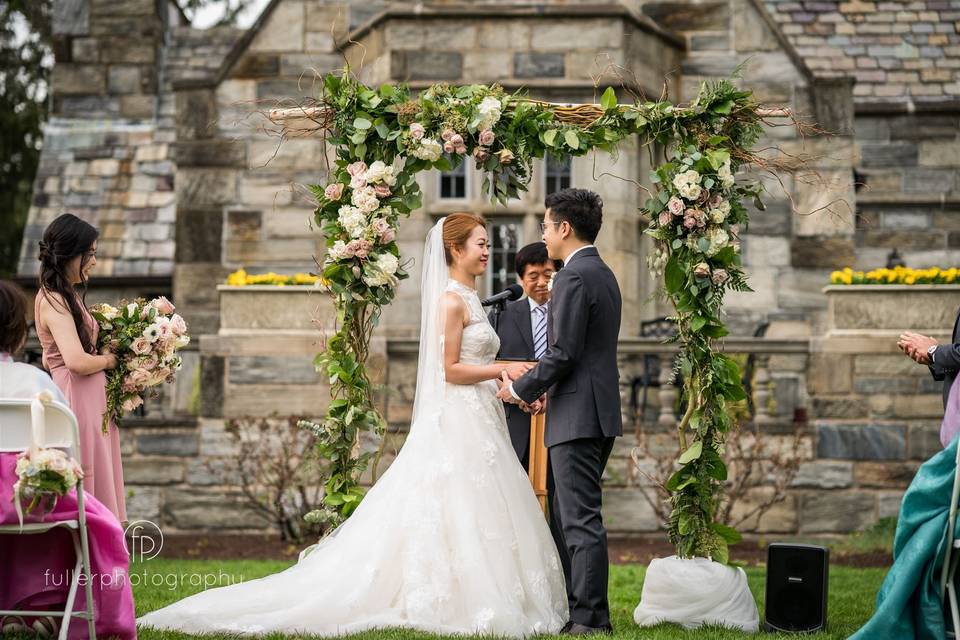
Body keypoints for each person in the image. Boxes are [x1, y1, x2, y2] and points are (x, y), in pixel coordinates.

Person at [138, 213, 568, 636]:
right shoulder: (451, 301)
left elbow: (475, 363)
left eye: (487, 243)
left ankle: (475, 587)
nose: (488, 251)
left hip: (480, 414)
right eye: (480, 243)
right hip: (457, 416)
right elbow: (450, 371)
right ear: (455, 249)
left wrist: (508, 374)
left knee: (478, 504)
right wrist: (503, 370)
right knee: (454, 500)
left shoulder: (473, 298)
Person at [497, 188, 623, 635]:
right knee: (581, 516)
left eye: (547, 226)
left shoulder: (571, 276)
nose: (544, 235)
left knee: (578, 520)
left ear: (564, 228)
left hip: (577, 414)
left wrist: (521, 387)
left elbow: (563, 351)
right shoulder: (602, 272)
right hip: (596, 409)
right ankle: (587, 612)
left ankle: (590, 619)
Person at [0, 279, 136, 640]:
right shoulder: (35, 383)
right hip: (26, 496)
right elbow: (64, 456)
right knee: (71, 515)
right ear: (16, 333)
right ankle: (50, 606)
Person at [34, 213, 126, 522]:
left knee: (100, 476)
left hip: (91, 402)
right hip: (79, 403)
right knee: (88, 483)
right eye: (92, 253)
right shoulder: (53, 299)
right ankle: (88, 561)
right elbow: (74, 362)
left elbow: (51, 358)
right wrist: (112, 361)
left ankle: (99, 560)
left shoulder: (66, 295)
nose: (95, 262)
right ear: (72, 254)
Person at [490, 242, 561, 467]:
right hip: (514, 421)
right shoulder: (502, 315)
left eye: (548, 274)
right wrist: (518, 392)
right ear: (521, 279)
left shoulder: (568, 312)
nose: (541, 283)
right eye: (533, 276)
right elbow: (489, 364)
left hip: (559, 414)